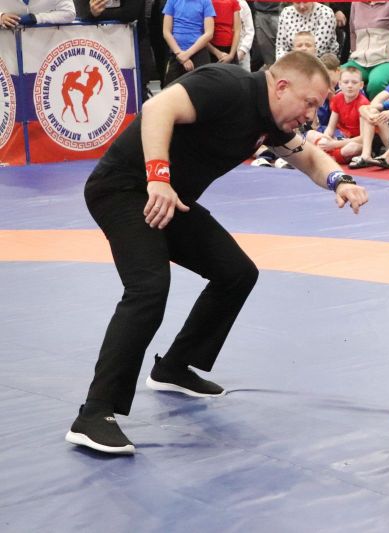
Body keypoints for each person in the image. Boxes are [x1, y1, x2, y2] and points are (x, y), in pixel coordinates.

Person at [65, 52, 369, 456]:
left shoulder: (271, 120)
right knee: (148, 288)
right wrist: (159, 177)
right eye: (310, 103)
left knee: (236, 273)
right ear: (281, 87)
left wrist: (340, 181)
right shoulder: (227, 85)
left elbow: (309, 157)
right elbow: (157, 108)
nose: (312, 115)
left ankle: (174, 366)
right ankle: (94, 414)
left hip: (169, 199)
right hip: (123, 189)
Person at [306, 66, 369, 164]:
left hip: (354, 141)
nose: (350, 85)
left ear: (361, 85)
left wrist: (333, 144)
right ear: (340, 84)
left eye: (354, 82)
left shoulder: (363, 104)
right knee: (310, 134)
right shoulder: (337, 99)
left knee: (351, 148)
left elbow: (363, 138)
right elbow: (331, 127)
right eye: (346, 82)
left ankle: (329, 157)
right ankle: (330, 155)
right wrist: (326, 139)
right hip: (340, 137)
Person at [341, 1, 389, 99]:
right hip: (359, 60)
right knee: (335, 74)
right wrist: (354, 53)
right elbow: (352, 32)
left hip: (386, 60)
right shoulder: (355, 3)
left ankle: (374, 108)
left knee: (376, 83)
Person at [162, 0, 215, 86]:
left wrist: (187, 55)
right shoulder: (172, 1)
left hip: (198, 53)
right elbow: (166, 32)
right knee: (170, 89)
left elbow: (209, 33)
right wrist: (180, 54)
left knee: (202, 89)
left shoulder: (206, 2)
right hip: (177, 53)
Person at [207, 0, 241, 65]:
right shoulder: (208, 2)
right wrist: (217, 52)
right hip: (212, 49)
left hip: (230, 49)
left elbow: (237, 30)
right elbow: (204, 33)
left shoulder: (233, 2)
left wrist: (231, 55)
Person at [0, 0, 75, 27]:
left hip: (46, 46)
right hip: (8, 48)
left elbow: (69, 13)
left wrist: (38, 18)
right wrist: (1, 16)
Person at [235, 0, 254, 71]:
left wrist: (243, 50)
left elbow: (249, 31)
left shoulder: (242, 4)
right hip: (223, 53)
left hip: (241, 53)